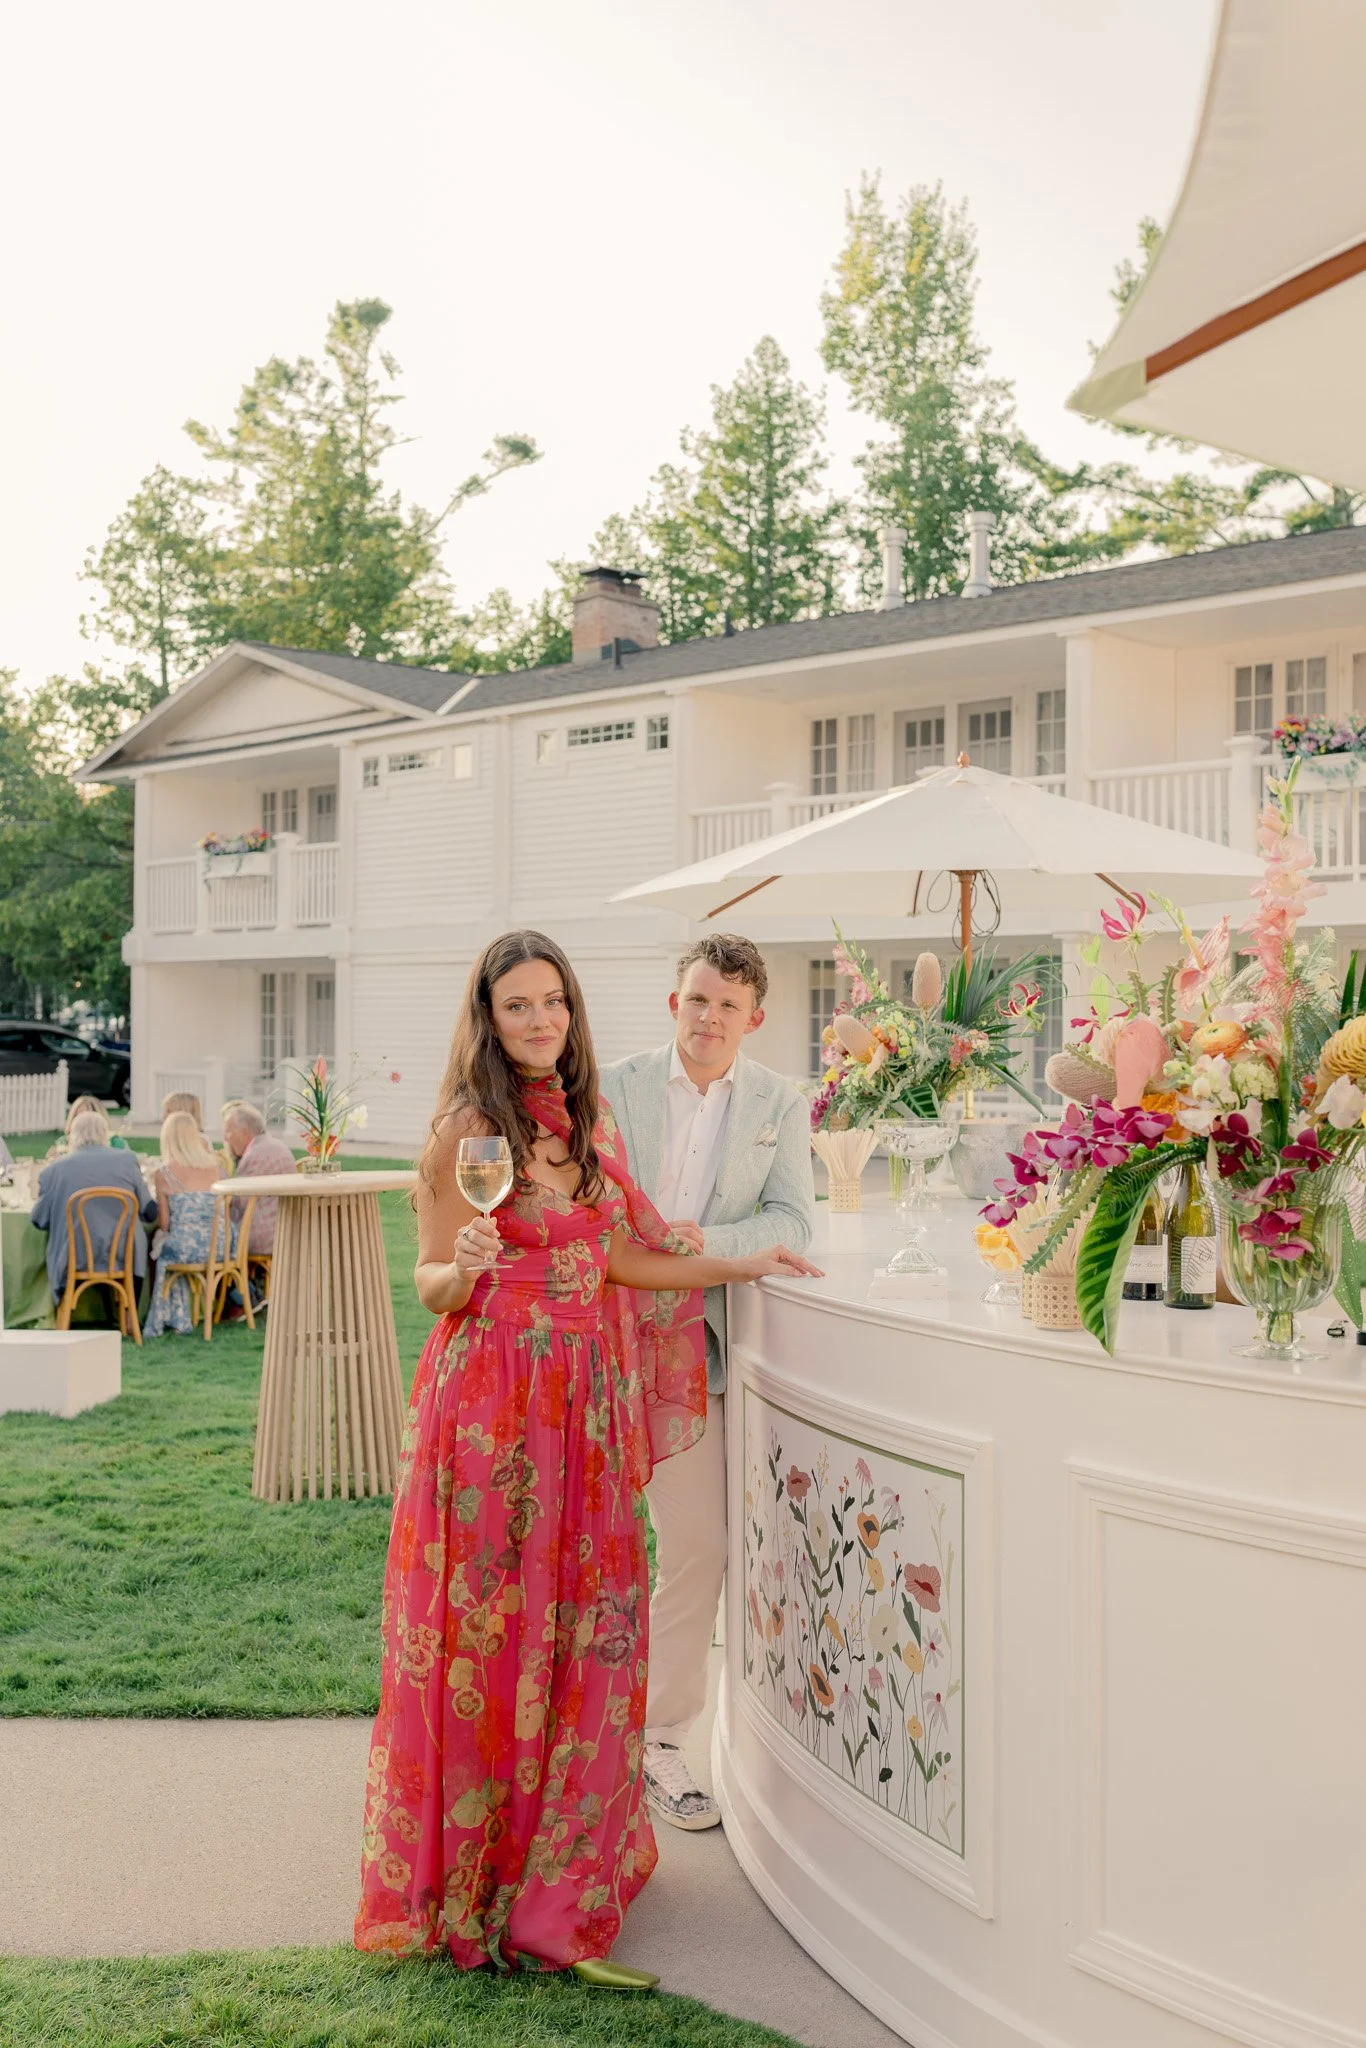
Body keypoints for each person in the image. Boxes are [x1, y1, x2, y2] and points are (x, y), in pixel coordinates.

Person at [353, 929, 818, 1990]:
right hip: (489, 1405)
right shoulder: (466, 1131)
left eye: (553, 1001)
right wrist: (461, 1265)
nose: (540, 1021)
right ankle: (478, 1875)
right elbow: (428, 1277)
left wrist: (741, 1259)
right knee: (490, 1628)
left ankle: (556, 1874)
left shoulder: (586, 1125)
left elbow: (621, 1256)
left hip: (584, 1408)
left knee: (581, 1624)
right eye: (517, 1005)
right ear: (486, 1016)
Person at [600, 933, 815, 1832]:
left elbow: (791, 1217)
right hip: (604, 1343)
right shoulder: (614, 1087)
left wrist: (695, 1242)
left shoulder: (779, 1101)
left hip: (709, 1352)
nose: (708, 1018)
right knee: (595, 1550)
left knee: (698, 1547)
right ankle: (574, 1747)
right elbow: (589, 1203)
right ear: (673, 1002)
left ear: (754, 1018)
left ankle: (659, 1740)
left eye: (727, 1006)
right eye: (696, 999)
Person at [31, 1108, 158, 1309]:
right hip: (124, 1255)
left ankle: (64, 1315)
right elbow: (150, 1213)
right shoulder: (127, 1161)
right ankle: (128, 1318)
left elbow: (39, 1220)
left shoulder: (54, 1170)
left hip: (71, 1256)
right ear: (104, 1134)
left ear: (72, 1135)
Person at [143, 1112, 226, 1337]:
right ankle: (183, 1317)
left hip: (186, 1248)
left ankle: (169, 1317)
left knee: (161, 1252)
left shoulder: (164, 1173)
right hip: (218, 1247)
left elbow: (165, 1223)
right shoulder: (213, 1168)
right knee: (171, 1247)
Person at [222, 1101, 295, 1255]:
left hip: (262, 1237)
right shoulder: (278, 1146)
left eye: (228, 1132)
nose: (225, 1138)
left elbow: (239, 1204)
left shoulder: (254, 1156)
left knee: (211, 1236)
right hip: (287, 1231)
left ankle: (229, 1279)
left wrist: (222, 1179)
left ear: (244, 1133)